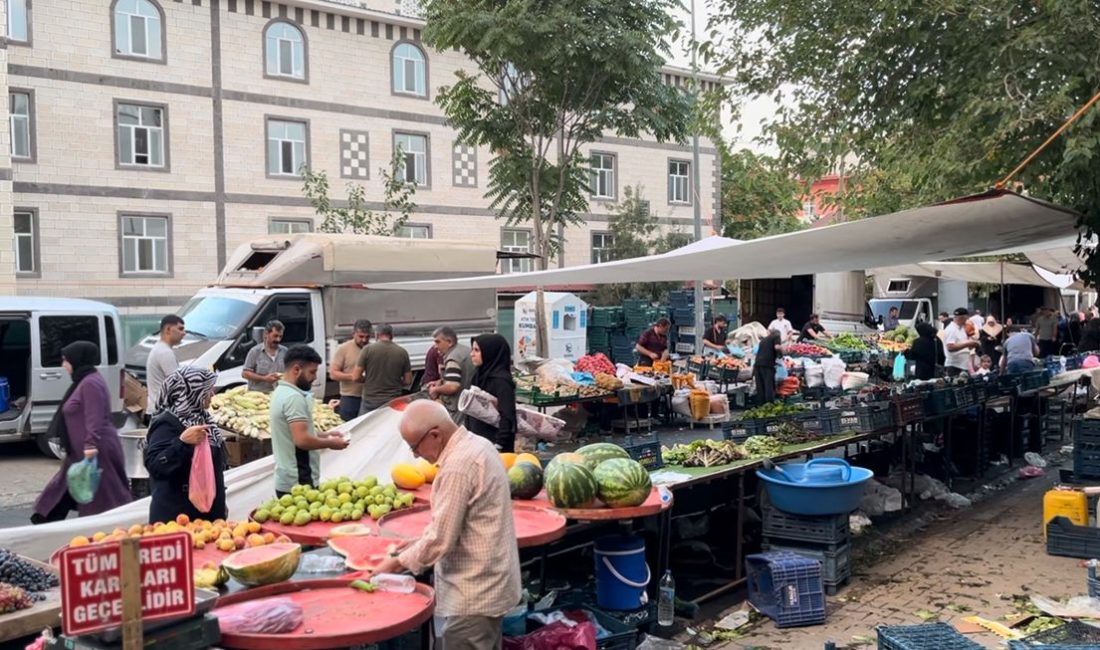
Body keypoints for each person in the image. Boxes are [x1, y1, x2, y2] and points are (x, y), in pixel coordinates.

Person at [371, 400, 522, 649]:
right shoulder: (479, 444)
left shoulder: (457, 467)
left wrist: (397, 563)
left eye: (414, 447)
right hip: (492, 584)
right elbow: (456, 525)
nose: (416, 455)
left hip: (474, 594)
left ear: (435, 435)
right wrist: (410, 547)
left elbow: (441, 539)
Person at [32, 342, 131, 523]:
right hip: (80, 453)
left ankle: (116, 526)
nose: (63, 366)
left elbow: (96, 416)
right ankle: (45, 520)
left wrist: (90, 445)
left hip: (95, 452)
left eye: (66, 361)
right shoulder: (85, 381)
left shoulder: (90, 383)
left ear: (77, 360)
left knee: (106, 495)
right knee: (64, 488)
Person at [144, 367, 227, 523]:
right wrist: (182, 443)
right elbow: (155, 466)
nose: (212, 394)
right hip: (178, 516)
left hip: (207, 515)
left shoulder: (205, 420)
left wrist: (220, 502)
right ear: (192, 392)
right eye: (207, 390)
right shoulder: (166, 423)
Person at [270, 345, 349, 496]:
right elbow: (302, 440)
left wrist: (326, 435)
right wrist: (332, 443)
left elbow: (295, 432)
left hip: (287, 479)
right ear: (296, 370)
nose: (314, 377)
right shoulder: (293, 398)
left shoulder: (280, 392)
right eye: (312, 372)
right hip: (299, 481)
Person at [468, 333, 517, 452]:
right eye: (472, 349)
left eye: (477, 350)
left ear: (489, 352)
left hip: (494, 444)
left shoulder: (501, 381)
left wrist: (499, 444)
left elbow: (507, 415)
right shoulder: (478, 376)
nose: (472, 354)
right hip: (477, 440)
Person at [356, 324, 413, 416]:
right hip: (393, 400)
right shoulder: (402, 352)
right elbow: (408, 380)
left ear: (376, 335)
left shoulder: (367, 350)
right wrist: (395, 382)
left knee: (366, 427)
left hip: (370, 399)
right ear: (392, 335)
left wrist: (369, 380)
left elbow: (355, 377)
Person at [427, 326, 474, 422]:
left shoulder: (453, 358)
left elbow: (452, 386)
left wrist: (436, 389)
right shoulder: (465, 350)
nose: (435, 346)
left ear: (449, 342)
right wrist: (441, 381)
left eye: (438, 342)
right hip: (469, 405)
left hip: (457, 408)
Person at [329, 319, 372, 422]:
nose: (364, 340)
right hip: (350, 397)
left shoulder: (373, 349)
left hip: (369, 397)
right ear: (353, 334)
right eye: (361, 336)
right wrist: (354, 377)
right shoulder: (343, 349)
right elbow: (333, 374)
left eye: (367, 337)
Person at [146, 314, 185, 417]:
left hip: (158, 410)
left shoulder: (160, 349)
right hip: (162, 412)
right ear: (168, 329)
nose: (183, 333)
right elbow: (178, 384)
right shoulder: (164, 352)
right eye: (180, 329)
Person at [242, 320, 286, 393]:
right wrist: (264, 378)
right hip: (259, 395)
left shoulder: (285, 351)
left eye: (280, 336)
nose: (278, 339)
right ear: (266, 334)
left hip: (278, 394)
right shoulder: (255, 351)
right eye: (275, 336)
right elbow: (245, 373)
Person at [943, 308, 980, 377]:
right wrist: (967, 344)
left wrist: (972, 345)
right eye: (966, 319)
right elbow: (950, 347)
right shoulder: (951, 329)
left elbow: (962, 343)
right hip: (954, 365)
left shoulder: (962, 328)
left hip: (963, 364)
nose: (967, 321)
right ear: (962, 318)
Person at [754, 329, 782, 404]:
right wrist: (783, 351)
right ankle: (769, 404)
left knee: (760, 385)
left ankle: (761, 404)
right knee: (768, 384)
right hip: (767, 364)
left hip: (757, 364)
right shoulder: (776, 336)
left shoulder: (763, 340)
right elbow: (777, 347)